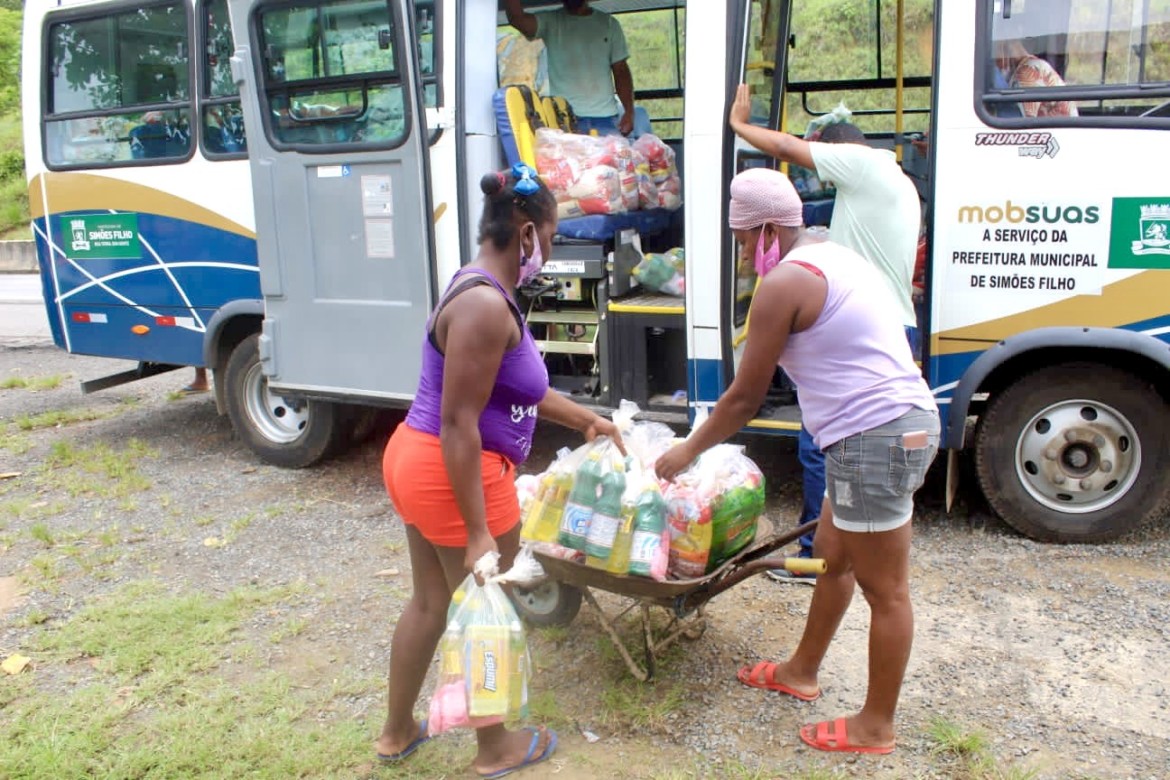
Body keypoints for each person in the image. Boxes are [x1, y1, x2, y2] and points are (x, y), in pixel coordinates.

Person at [655, 167, 939, 755]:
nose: (739, 252)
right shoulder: (835, 253)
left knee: (886, 590)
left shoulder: (784, 283)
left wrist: (686, 450)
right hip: (885, 429)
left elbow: (742, 399)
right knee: (833, 560)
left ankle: (875, 725)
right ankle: (800, 671)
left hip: (875, 437)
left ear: (763, 230)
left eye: (740, 240)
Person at [376, 162, 624, 777]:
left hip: (415, 458)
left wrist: (586, 419)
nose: (552, 246)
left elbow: (514, 390)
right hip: (453, 469)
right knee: (490, 607)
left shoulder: (478, 285)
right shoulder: (488, 307)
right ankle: (496, 748)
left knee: (432, 601)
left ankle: (397, 731)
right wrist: (480, 529)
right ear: (527, 233)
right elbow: (461, 422)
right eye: (551, 231)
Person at [728, 84, 921, 579]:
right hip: (886, 319)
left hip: (853, 327)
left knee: (821, 443)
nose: (746, 251)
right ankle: (824, 556)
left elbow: (788, 148)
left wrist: (741, 127)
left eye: (746, 239)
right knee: (844, 549)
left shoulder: (863, 165)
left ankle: (813, 548)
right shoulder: (898, 185)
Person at [504, 0, 635, 136]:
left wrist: (629, 112)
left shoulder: (609, 24)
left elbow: (621, 71)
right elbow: (517, 19)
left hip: (606, 117)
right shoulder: (550, 21)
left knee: (615, 157)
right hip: (564, 118)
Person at [995, 39, 1077, 118]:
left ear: (1004, 47)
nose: (994, 59)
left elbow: (1024, 122)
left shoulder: (1027, 72)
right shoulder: (1036, 64)